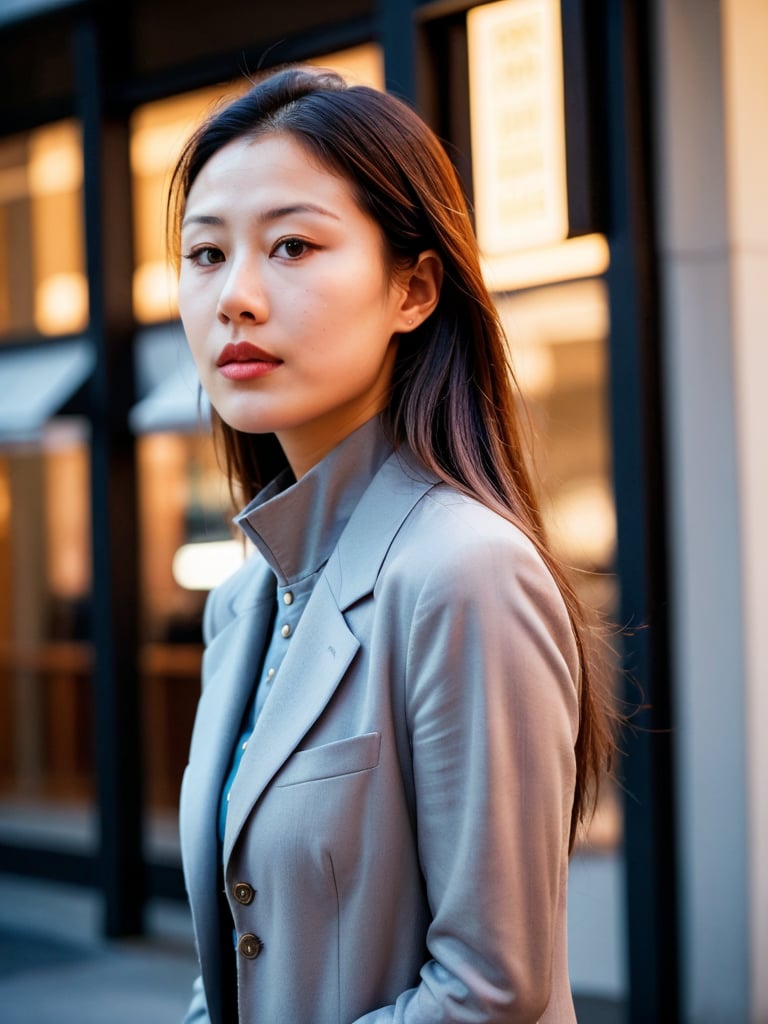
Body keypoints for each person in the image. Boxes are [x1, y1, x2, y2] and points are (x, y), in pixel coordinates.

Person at [169, 64, 616, 1024]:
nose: (235, 297)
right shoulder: (242, 601)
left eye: (292, 245)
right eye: (205, 254)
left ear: (412, 289)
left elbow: (492, 994)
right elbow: (233, 967)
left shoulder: (465, 571)